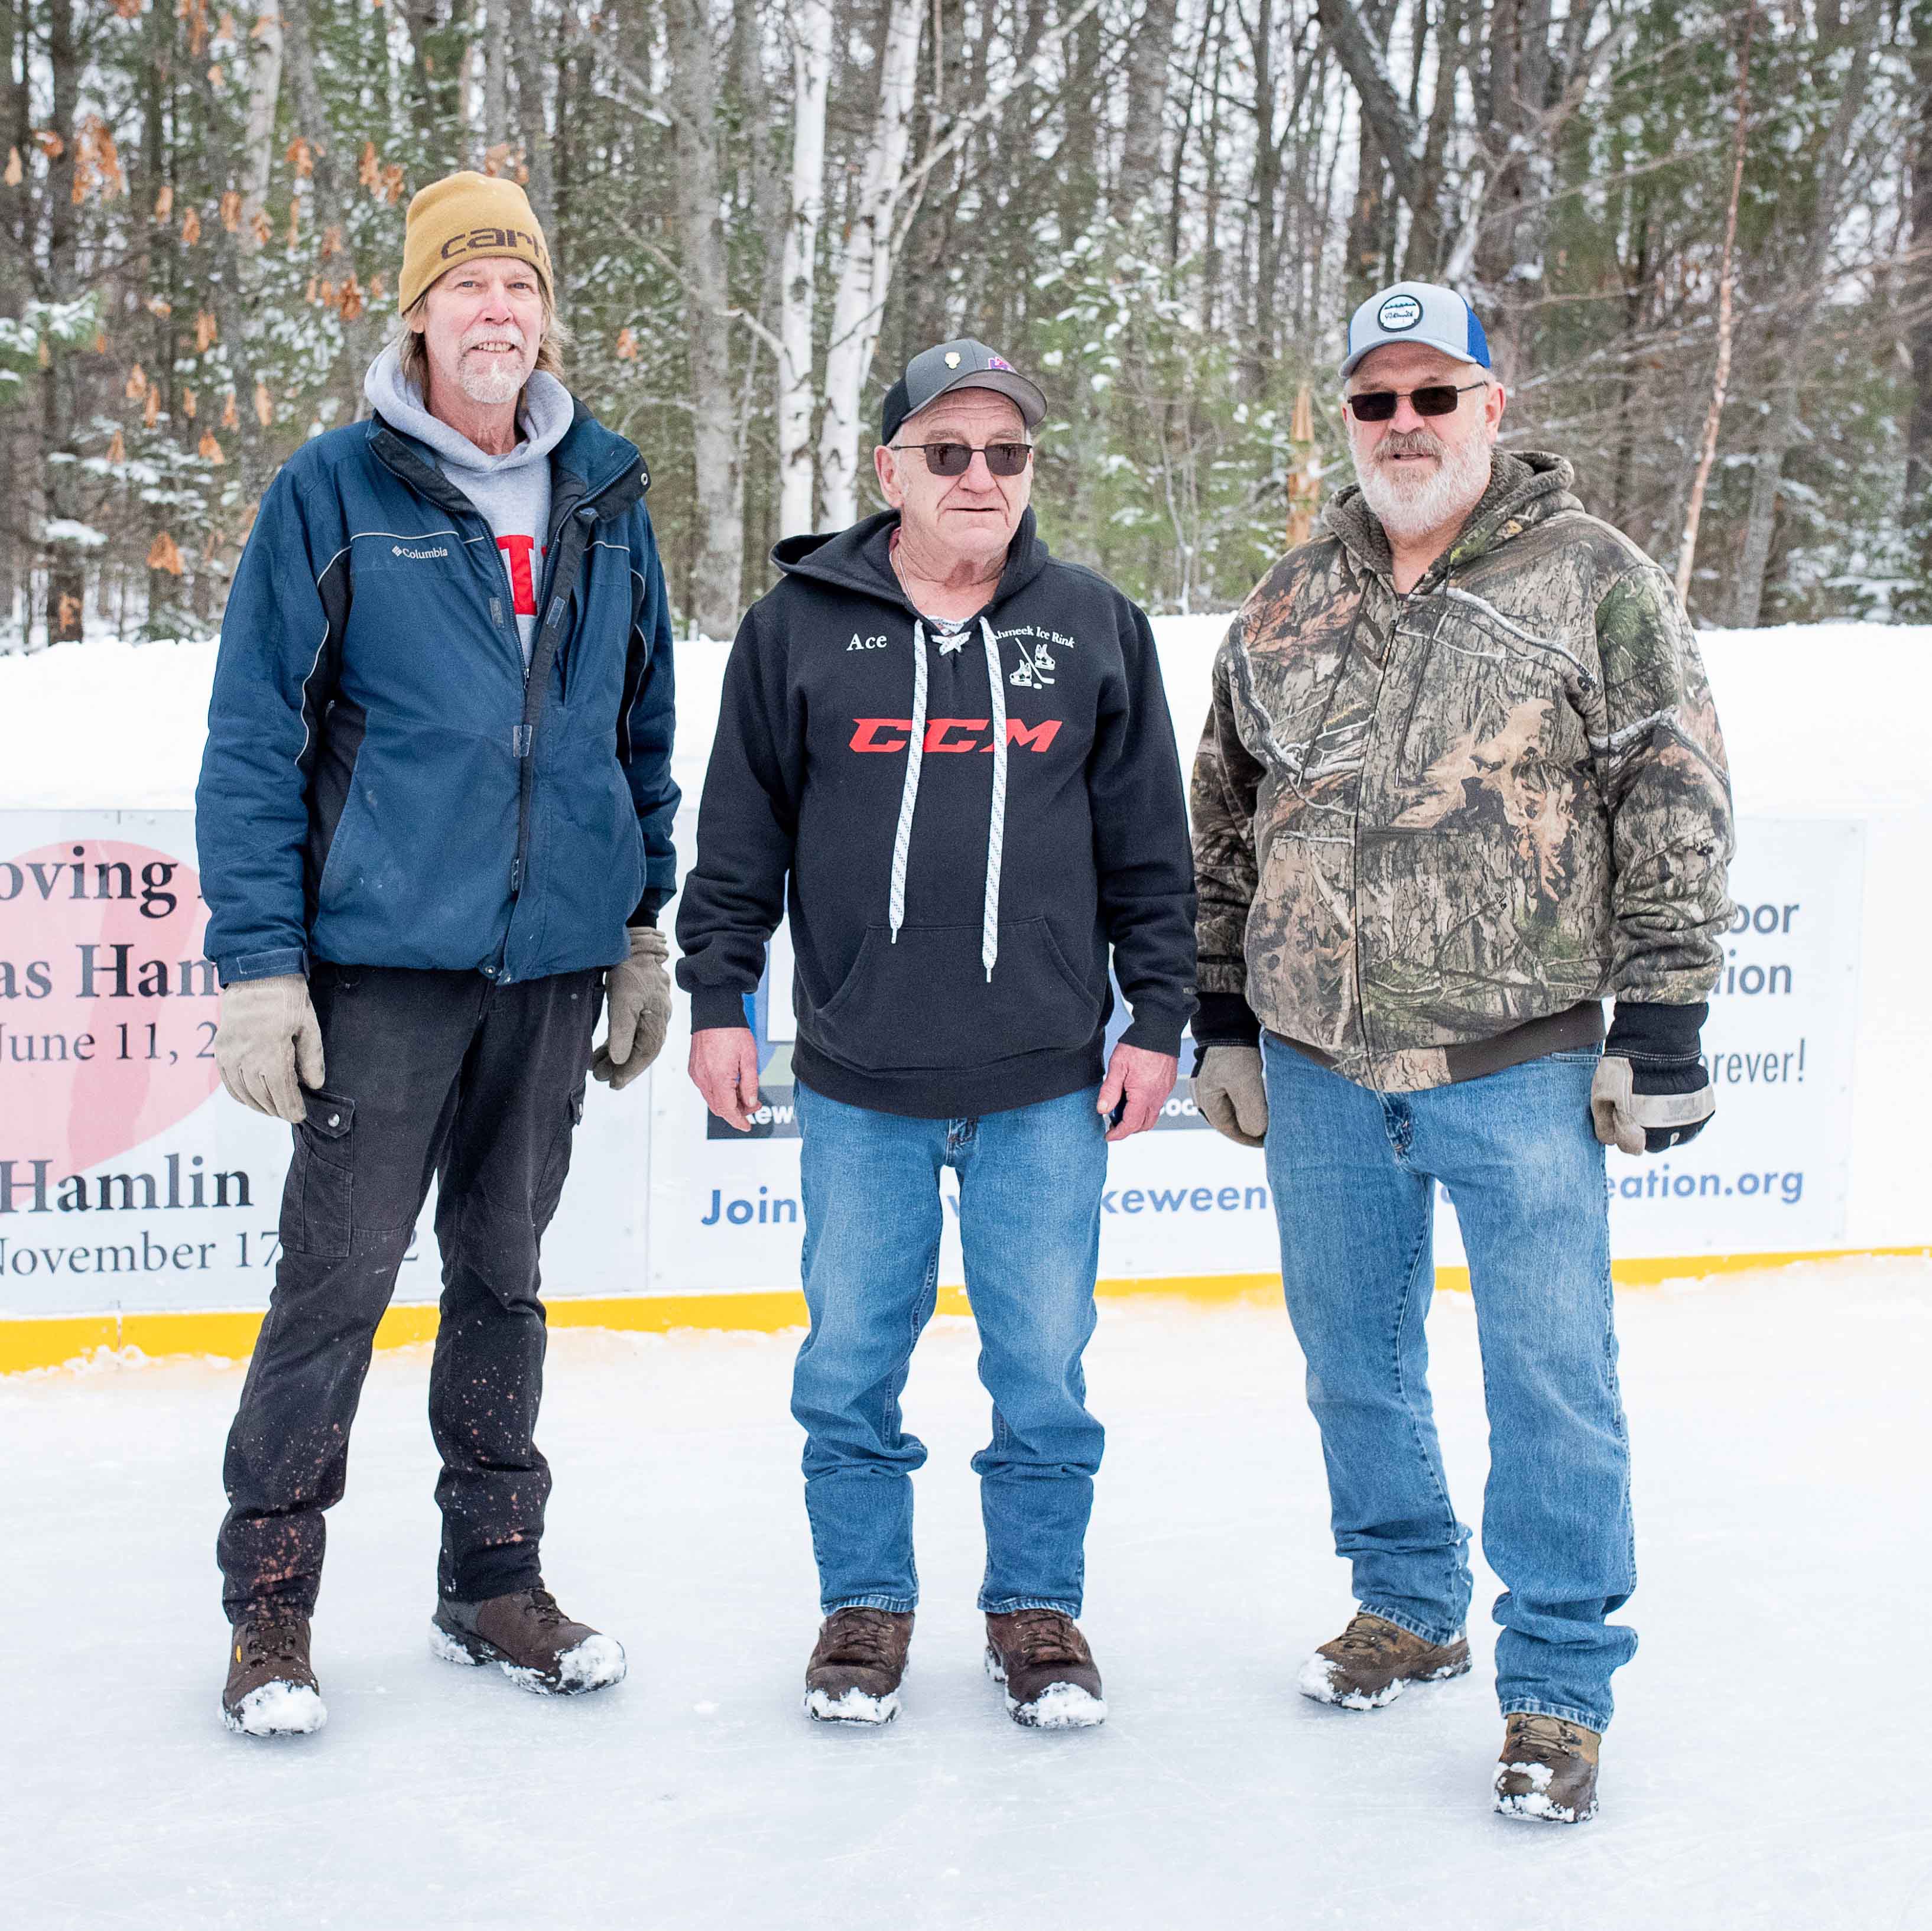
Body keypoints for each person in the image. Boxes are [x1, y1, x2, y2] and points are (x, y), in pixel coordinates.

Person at [1189, 281, 1733, 1821]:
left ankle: (1556, 1686)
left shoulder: (1590, 580)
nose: (1404, 425)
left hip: (1518, 1055)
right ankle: (1407, 1600)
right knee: (1350, 1360)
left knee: (1549, 1378)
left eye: (1435, 393)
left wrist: (1667, 1016)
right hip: (1314, 1066)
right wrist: (1223, 1012)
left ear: (1494, 404)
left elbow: (1669, 788)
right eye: (1375, 400)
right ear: (1343, 421)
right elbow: (1221, 818)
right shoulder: (1286, 602)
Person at [197, 171, 678, 1737]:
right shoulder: (332, 493)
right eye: (466, 285)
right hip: (384, 972)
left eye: (518, 287)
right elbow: (255, 744)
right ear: (417, 312)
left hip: (544, 969)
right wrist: (260, 967)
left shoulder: (603, 492)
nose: (495, 312)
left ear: (544, 318)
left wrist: (635, 928)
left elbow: (636, 729)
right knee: (331, 1285)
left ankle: (493, 1576)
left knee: (506, 1278)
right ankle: (270, 1606)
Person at [677, 339, 1195, 1728]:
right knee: (849, 1361)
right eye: (949, 450)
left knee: (1042, 1366)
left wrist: (1159, 1017)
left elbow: (1153, 851)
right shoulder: (797, 625)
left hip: (1046, 1085)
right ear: (889, 466)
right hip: (858, 1081)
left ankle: (1036, 1608)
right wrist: (720, 997)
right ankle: (866, 1604)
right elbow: (737, 841)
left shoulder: (1094, 624)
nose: (980, 476)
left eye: (1008, 453)